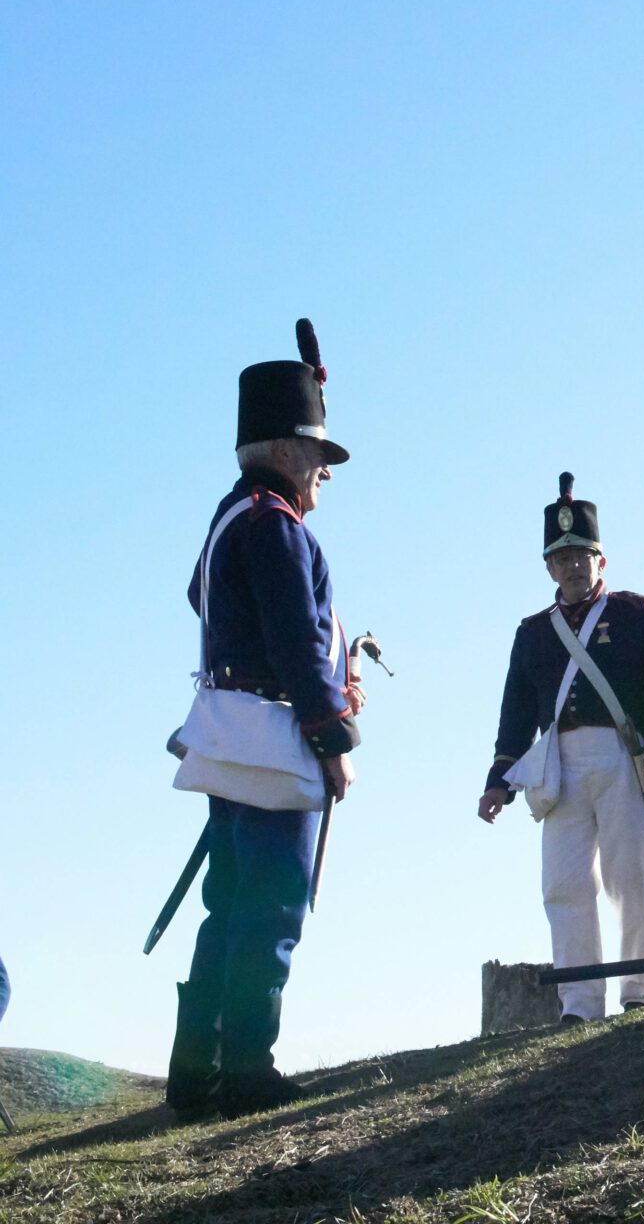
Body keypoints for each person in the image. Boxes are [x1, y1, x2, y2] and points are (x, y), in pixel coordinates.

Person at [167, 322, 361, 1121]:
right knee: (274, 904)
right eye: (316, 454)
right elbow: (295, 640)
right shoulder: (277, 525)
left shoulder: (228, 520)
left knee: (229, 902)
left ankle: (194, 1070)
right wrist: (332, 737)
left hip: (225, 732)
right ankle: (247, 1068)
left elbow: (198, 600)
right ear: (283, 449)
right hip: (275, 734)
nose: (323, 471)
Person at [480, 474, 644, 1023]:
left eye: (582, 555)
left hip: (624, 757)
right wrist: (497, 781)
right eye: (562, 557)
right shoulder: (532, 633)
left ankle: (641, 990)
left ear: (601, 559)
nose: (573, 566)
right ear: (549, 567)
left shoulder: (635, 613)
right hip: (560, 766)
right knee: (565, 885)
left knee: (634, 878)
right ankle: (579, 1002)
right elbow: (516, 714)